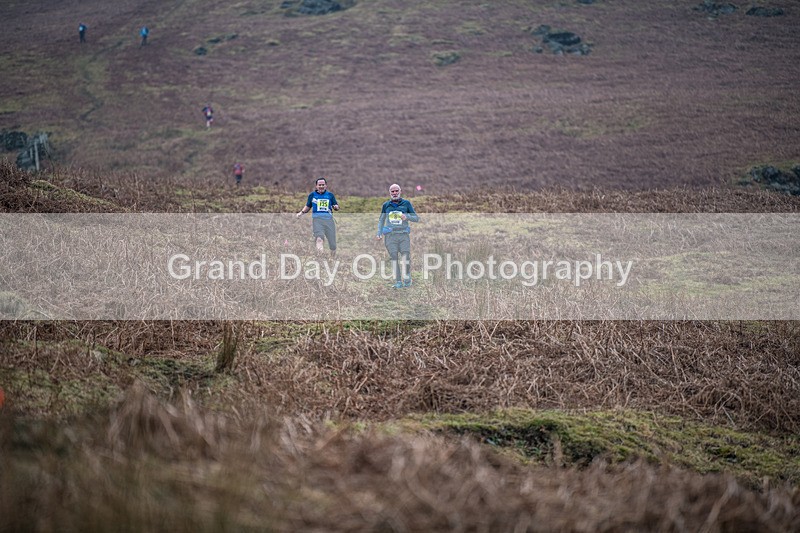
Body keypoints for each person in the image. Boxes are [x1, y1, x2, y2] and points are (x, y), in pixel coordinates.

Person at [376, 183, 419, 288]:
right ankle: (398, 282)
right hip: (390, 236)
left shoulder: (406, 204)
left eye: (396, 191)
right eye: (392, 191)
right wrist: (379, 232)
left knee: (406, 257)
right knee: (394, 258)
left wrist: (407, 216)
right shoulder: (386, 205)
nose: (394, 193)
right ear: (389, 193)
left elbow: (416, 218)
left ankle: (407, 276)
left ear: (400, 191)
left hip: (403, 235)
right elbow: (381, 220)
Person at [297, 177, 339, 257]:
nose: (321, 186)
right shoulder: (312, 195)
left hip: (329, 221)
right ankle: (321, 257)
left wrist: (336, 207)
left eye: (323, 185)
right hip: (317, 221)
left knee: (332, 244)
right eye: (319, 185)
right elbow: (308, 206)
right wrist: (301, 213)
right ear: (316, 186)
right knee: (319, 239)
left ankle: (332, 258)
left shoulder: (330, 195)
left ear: (326, 186)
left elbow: (336, 206)